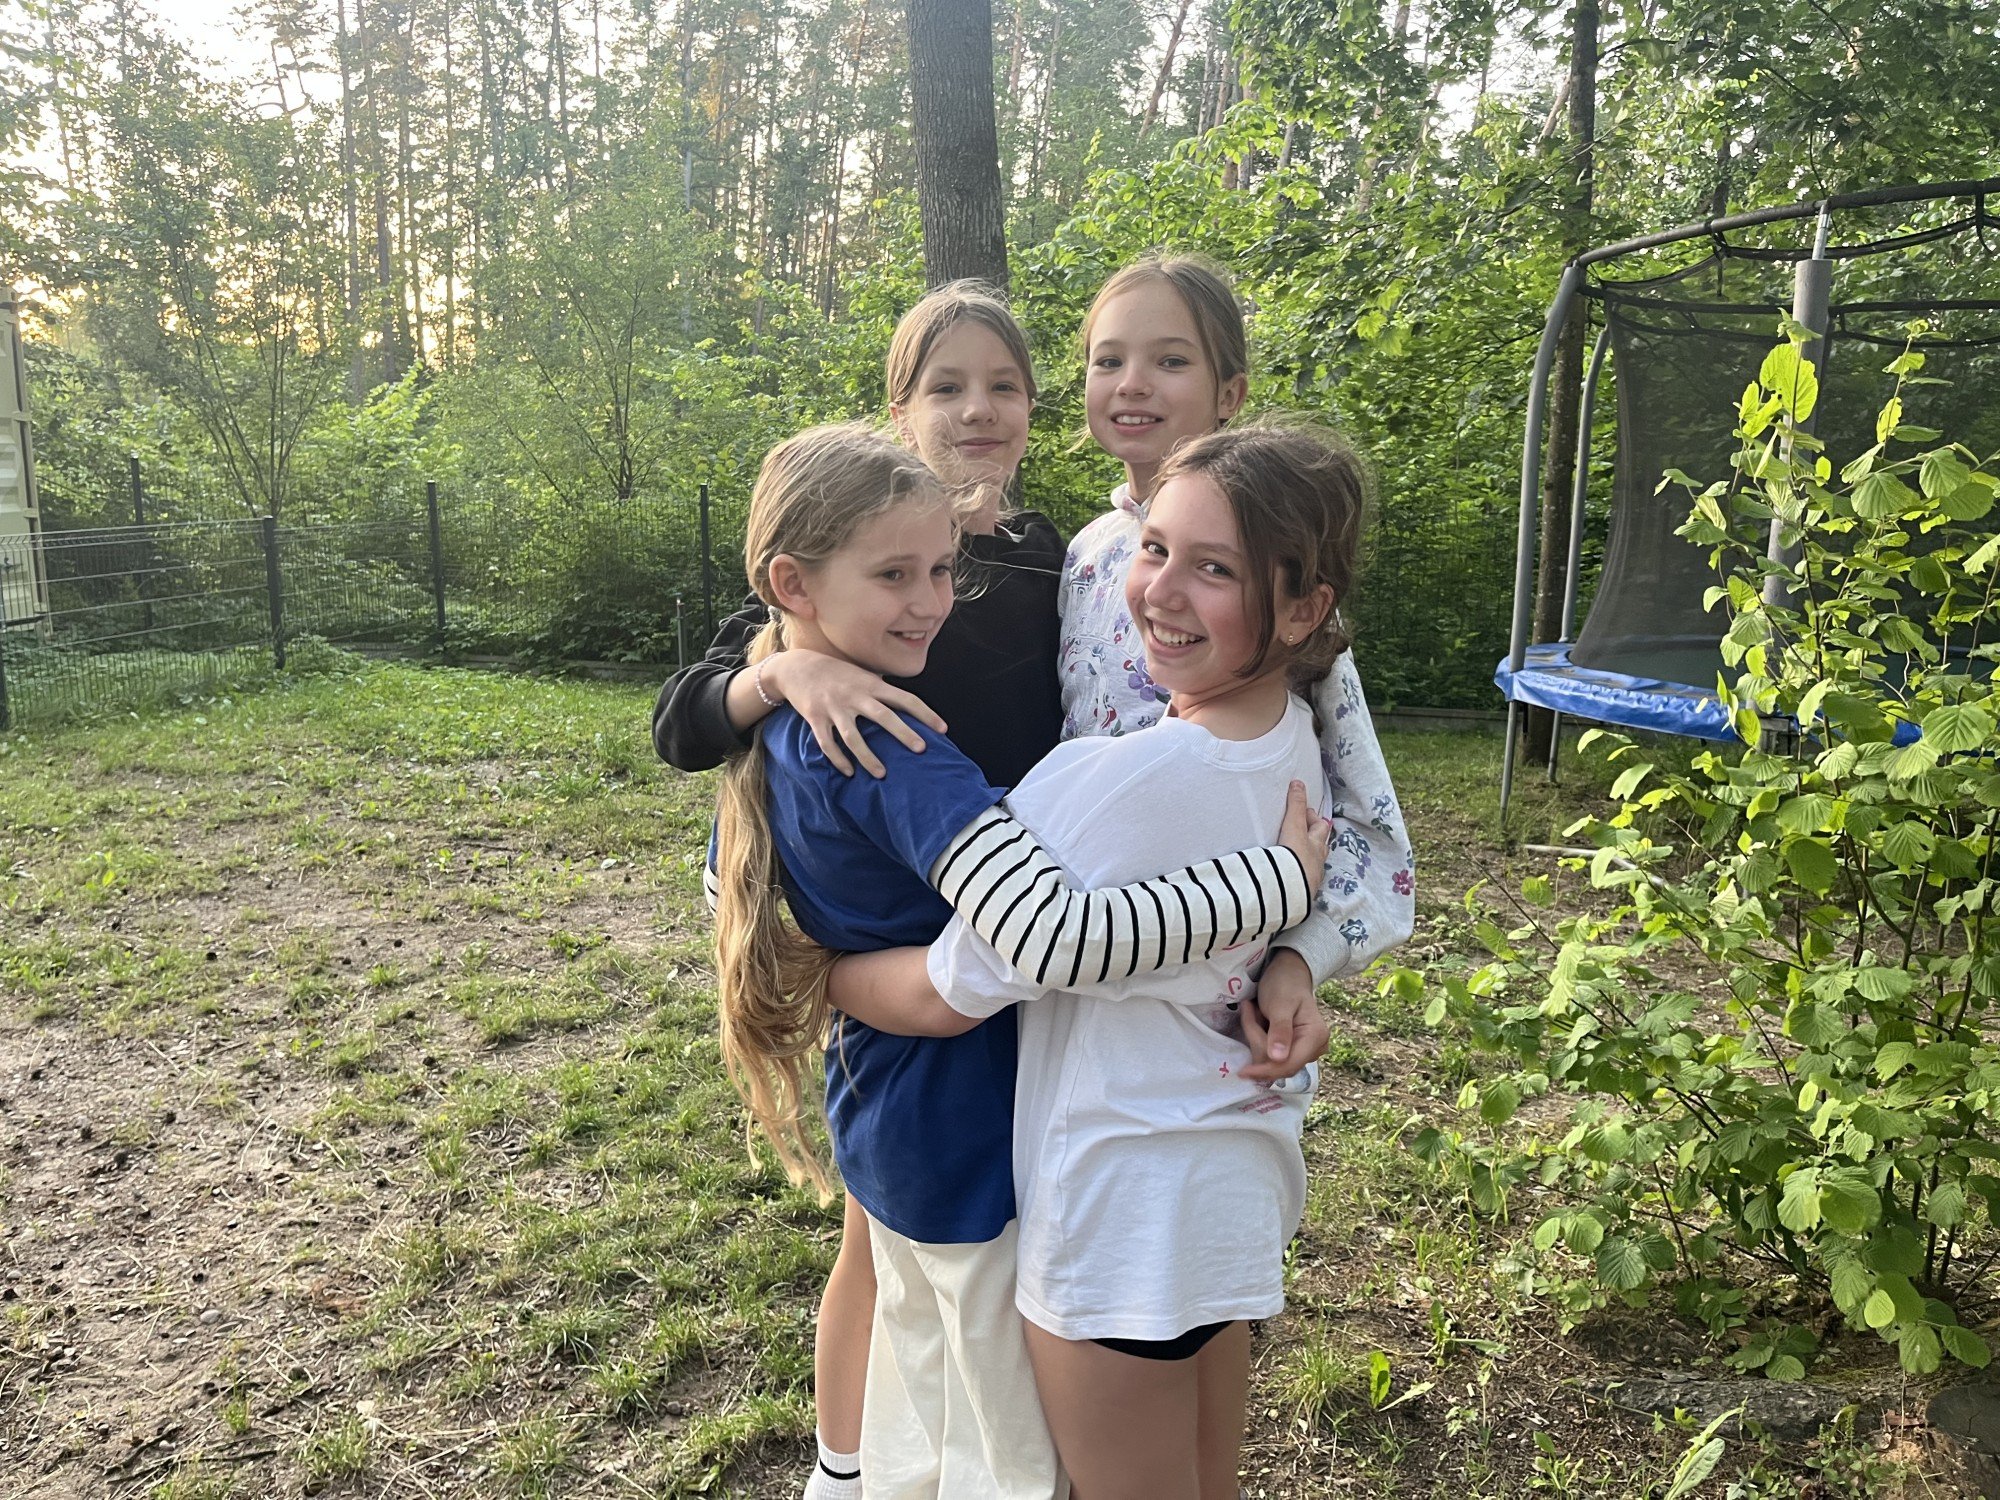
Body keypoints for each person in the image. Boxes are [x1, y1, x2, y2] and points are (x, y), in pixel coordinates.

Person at [708, 422, 1332, 1500]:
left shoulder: (782, 721)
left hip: (890, 1107)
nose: (931, 602)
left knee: (927, 1390)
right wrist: (1278, 889)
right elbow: (1040, 934)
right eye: (895, 574)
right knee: (1003, 1456)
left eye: (940, 569)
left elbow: (727, 885)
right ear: (793, 584)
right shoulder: (901, 751)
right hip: (966, 1132)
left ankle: (848, 1476)